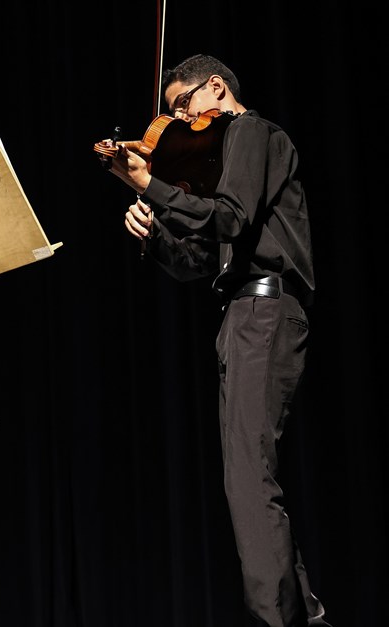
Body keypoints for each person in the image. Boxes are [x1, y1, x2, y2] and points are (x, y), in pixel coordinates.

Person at [105, 54, 330, 626]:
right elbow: (200, 260)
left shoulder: (252, 131)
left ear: (216, 87)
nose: (181, 121)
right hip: (242, 313)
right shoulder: (224, 156)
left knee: (249, 479)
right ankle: (305, 618)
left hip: (266, 308)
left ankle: (279, 621)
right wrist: (155, 236)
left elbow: (227, 219)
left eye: (184, 105)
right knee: (248, 477)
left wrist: (150, 184)